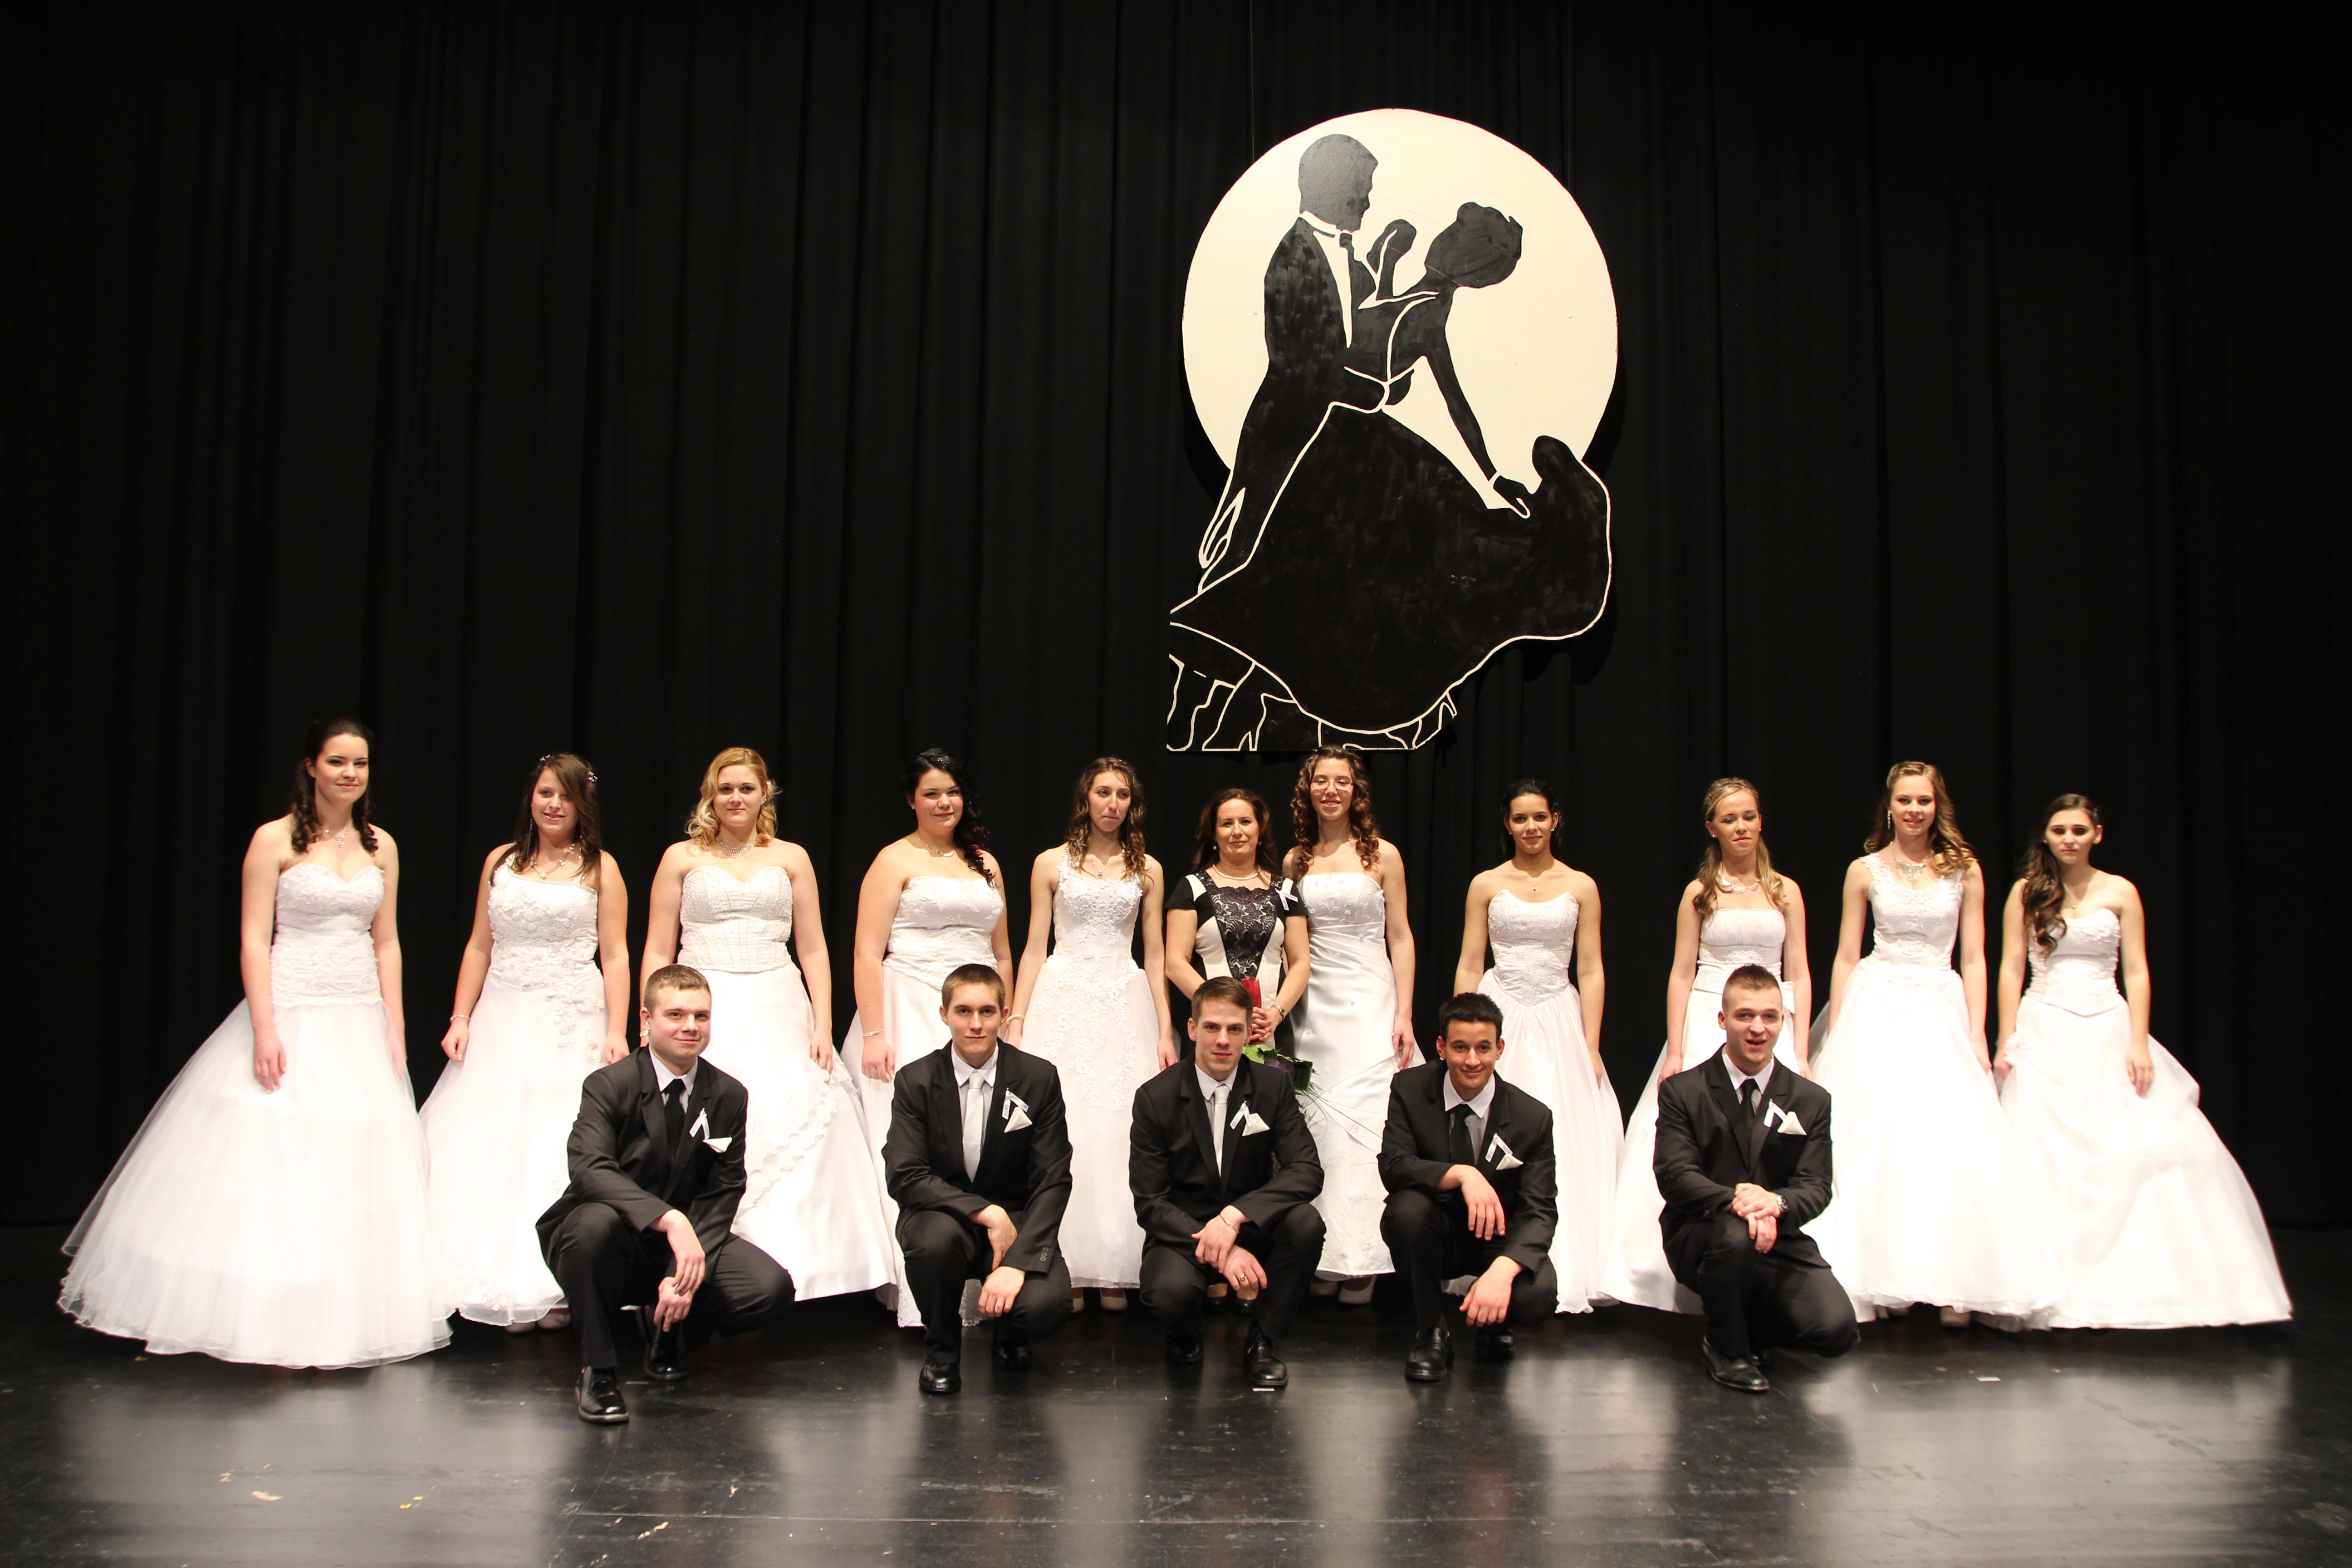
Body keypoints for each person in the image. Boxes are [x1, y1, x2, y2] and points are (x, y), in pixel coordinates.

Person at [60, 718, 449, 1368]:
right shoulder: (274, 839)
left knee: (350, 1159)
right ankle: (264, 1311)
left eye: (360, 763)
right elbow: (252, 938)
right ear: (311, 766)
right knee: (279, 1153)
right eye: (337, 762)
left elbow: (386, 940)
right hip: (291, 1008)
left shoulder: (381, 845)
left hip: (358, 1015)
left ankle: (334, 1312)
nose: (350, 774)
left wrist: (396, 1022)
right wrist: (265, 1028)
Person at [1170, 194, 1611, 750]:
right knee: (1288, 578)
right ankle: (1212, 701)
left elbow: (1456, 405)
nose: (1440, 239)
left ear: (1465, 261)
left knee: (1308, 583)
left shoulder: (1427, 316)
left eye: (1452, 237)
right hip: (1337, 440)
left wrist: (1494, 477)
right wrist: (1383, 262)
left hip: (1356, 452)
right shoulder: (1409, 296)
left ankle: (1226, 700)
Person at [1994, 796, 2290, 1328]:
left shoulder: (2121, 891)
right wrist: (2007, 1037)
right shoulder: (2026, 892)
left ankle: (2127, 1286)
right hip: (2045, 1028)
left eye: (2079, 830)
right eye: (2059, 830)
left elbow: (2136, 971)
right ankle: (2041, 1283)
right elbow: (2012, 968)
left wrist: (2138, 1042)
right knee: (2043, 1153)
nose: (2069, 839)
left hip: (2106, 1025)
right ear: (2046, 836)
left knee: (2129, 1145)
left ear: (2097, 834)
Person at [1809, 762, 2061, 1328]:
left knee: (1943, 1142)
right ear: (1890, 807)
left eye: (1923, 800)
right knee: (1875, 1142)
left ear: (1936, 806)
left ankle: (1953, 1283)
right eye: (1905, 800)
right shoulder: (1864, 870)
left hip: (1938, 1004)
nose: (1914, 810)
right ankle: (1883, 1279)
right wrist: (1840, 1022)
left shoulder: (1964, 869)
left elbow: (1974, 957)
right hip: (1877, 1000)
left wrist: (1976, 1032)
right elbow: (1847, 955)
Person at [641, 748, 895, 1304]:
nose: (736, 798)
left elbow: (814, 947)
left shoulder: (792, 857)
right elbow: (658, 947)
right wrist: (651, 1021)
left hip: (778, 1000)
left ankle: (805, 1268)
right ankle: (705, 1259)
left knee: (798, 1110)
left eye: (747, 789)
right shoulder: (681, 857)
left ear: (764, 795)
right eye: (726, 789)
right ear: (711, 795)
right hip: (705, 1002)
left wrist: (823, 1024)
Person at [422, 752, 630, 1333]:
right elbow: (479, 946)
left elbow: (615, 953)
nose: (554, 805)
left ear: (582, 804)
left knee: (558, 1140)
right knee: (491, 1138)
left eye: (565, 796)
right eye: (545, 793)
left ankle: (556, 1281)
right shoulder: (501, 861)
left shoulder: (601, 867)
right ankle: (495, 1280)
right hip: (503, 1013)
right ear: (531, 799)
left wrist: (617, 1029)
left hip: (570, 1019)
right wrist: (460, 1016)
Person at [537, 965, 792, 1423]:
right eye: (676, 1015)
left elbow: (725, 1187)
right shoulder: (608, 1085)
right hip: (615, 1236)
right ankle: (598, 1371)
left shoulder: (728, 1094)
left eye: (701, 1016)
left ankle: (670, 1331)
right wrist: (669, 1219)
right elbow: (590, 1168)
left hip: (680, 1243)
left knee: (768, 1290)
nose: (690, 1026)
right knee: (591, 1226)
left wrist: (681, 1273)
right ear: (647, 1019)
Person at [1602, 777, 1810, 1312]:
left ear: (1761, 821)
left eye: (1749, 816)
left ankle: (1774, 1254)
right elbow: (1681, 973)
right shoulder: (1700, 893)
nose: (1741, 827)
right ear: (1712, 828)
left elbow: (1799, 972)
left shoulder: (1785, 891)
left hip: (1769, 1020)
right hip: (1708, 1017)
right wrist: (1676, 1050)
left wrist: (1803, 1050)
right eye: (1729, 819)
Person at [841, 750, 1013, 1328]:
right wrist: (874, 1032)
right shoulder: (893, 859)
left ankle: (976, 1269)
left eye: (953, 792)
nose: (945, 803)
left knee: (976, 1139)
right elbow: (867, 952)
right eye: (932, 793)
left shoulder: (985, 862)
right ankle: (920, 1285)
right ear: (912, 802)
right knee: (920, 1142)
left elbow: (1002, 954)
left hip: (978, 1015)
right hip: (908, 1004)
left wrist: (1007, 1017)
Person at [1003, 759, 1174, 1313]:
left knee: (1120, 1128)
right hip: (1063, 998)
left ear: (1132, 804)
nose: (1112, 803)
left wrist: (1165, 1028)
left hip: (1124, 999)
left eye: (1123, 794)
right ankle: (1069, 1266)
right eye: (1103, 792)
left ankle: (1116, 1265)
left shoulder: (1148, 868)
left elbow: (1155, 956)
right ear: (1087, 798)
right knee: (1067, 1126)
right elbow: (1034, 946)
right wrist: (1017, 1018)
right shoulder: (1050, 863)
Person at [1452, 778, 1620, 1311]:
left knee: (1567, 1130)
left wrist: (1591, 1042)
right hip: (1499, 1010)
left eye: (1540, 817)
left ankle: (1561, 1261)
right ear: (1508, 823)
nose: (1531, 827)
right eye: (1521, 818)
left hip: (1557, 1014)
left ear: (1555, 820)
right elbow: (1471, 963)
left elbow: (1590, 968)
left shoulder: (1581, 885)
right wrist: (1463, 1030)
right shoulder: (1485, 884)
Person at [1655, 965, 1857, 1393]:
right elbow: (1675, 1175)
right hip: (1705, 1234)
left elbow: (1816, 1186)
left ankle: (1751, 1326)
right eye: (1745, 1016)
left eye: (1770, 1016)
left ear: (1783, 1021)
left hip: (1777, 1237)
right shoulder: (1683, 1092)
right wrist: (1741, 1203)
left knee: (1836, 1331)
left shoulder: (1811, 1099)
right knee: (1735, 1238)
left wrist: (1776, 1204)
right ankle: (1726, 1348)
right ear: (1723, 1019)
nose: (1758, 1028)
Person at [883, 966, 1074, 1395]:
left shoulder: (1038, 1077)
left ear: (1004, 1015)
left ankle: (1012, 1334)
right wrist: (986, 1213)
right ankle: (941, 1352)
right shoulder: (916, 1081)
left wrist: (1019, 1263)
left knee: (1046, 1306)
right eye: (964, 1011)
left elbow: (1054, 1178)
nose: (975, 1024)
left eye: (987, 1012)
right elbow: (905, 1174)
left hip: (1017, 1220)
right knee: (933, 1244)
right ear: (944, 1015)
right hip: (943, 1218)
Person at [1129, 977, 1326, 1390]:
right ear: (1192, 1029)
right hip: (1186, 1234)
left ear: (1248, 1032)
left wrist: (1236, 1217)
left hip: (1251, 1224)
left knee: (1306, 1224)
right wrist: (1223, 1249)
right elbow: (1151, 1202)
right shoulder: (1155, 1098)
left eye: (1235, 1029)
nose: (1223, 1040)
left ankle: (1264, 1340)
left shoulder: (1273, 1086)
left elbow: (1306, 1169)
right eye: (1213, 1027)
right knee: (1168, 1293)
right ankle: (1185, 1331)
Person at [1284, 746, 1416, 1303]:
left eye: (1342, 781)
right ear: (1308, 789)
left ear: (1356, 790)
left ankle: (1364, 1257)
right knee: (1318, 1118)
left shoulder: (1383, 855)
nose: (1331, 790)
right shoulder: (1295, 861)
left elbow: (1400, 936)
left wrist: (1404, 1011)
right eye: (1322, 781)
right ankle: (1324, 1251)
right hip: (1315, 1002)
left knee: (1368, 1117)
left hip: (1370, 999)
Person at [1378, 993, 1559, 1380]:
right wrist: (1463, 1174)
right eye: (1460, 1048)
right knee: (1404, 1212)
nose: (1472, 1061)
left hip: (1496, 1237)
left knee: (1537, 1295)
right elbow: (1394, 1166)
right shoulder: (1410, 1088)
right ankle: (1432, 1332)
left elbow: (1540, 1210)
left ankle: (1494, 1324)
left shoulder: (1532, 1118)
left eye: (1483, 1048)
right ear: (1441, 1047)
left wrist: (1503, 1271)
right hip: (1435, 1230)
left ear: (1500, 1049)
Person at [1165, 787, 1311, 1049]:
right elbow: (1175, 964)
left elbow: (1301, 962)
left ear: (1260, 829)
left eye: (1245, 821)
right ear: (1214, 834)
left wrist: (1276, 1014)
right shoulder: (1191, 888)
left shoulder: (1285, 890)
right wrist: (1220, 1010)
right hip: (1212, 1029)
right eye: (1226, 824)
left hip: (1270, 1030)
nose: (1237, 831)